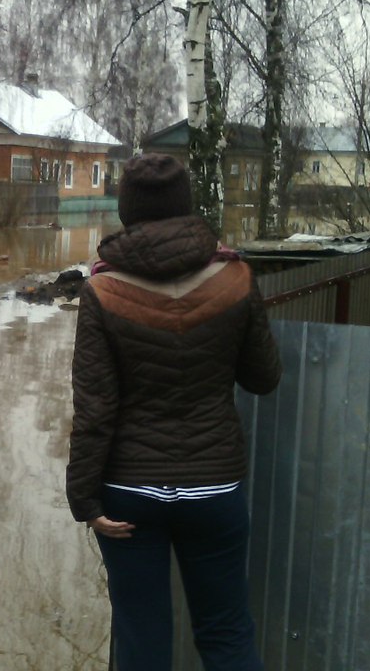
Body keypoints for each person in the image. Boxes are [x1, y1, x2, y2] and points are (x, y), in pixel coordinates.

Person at [67, 153, 283, 671]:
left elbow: (95, 409)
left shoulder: (101, 290)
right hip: (214, 489)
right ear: (186, 205)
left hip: (130, 495)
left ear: (127, 210)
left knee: (142, 639)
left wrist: (85, 499)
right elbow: (264, 378)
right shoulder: (235, 278)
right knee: (227, 633)